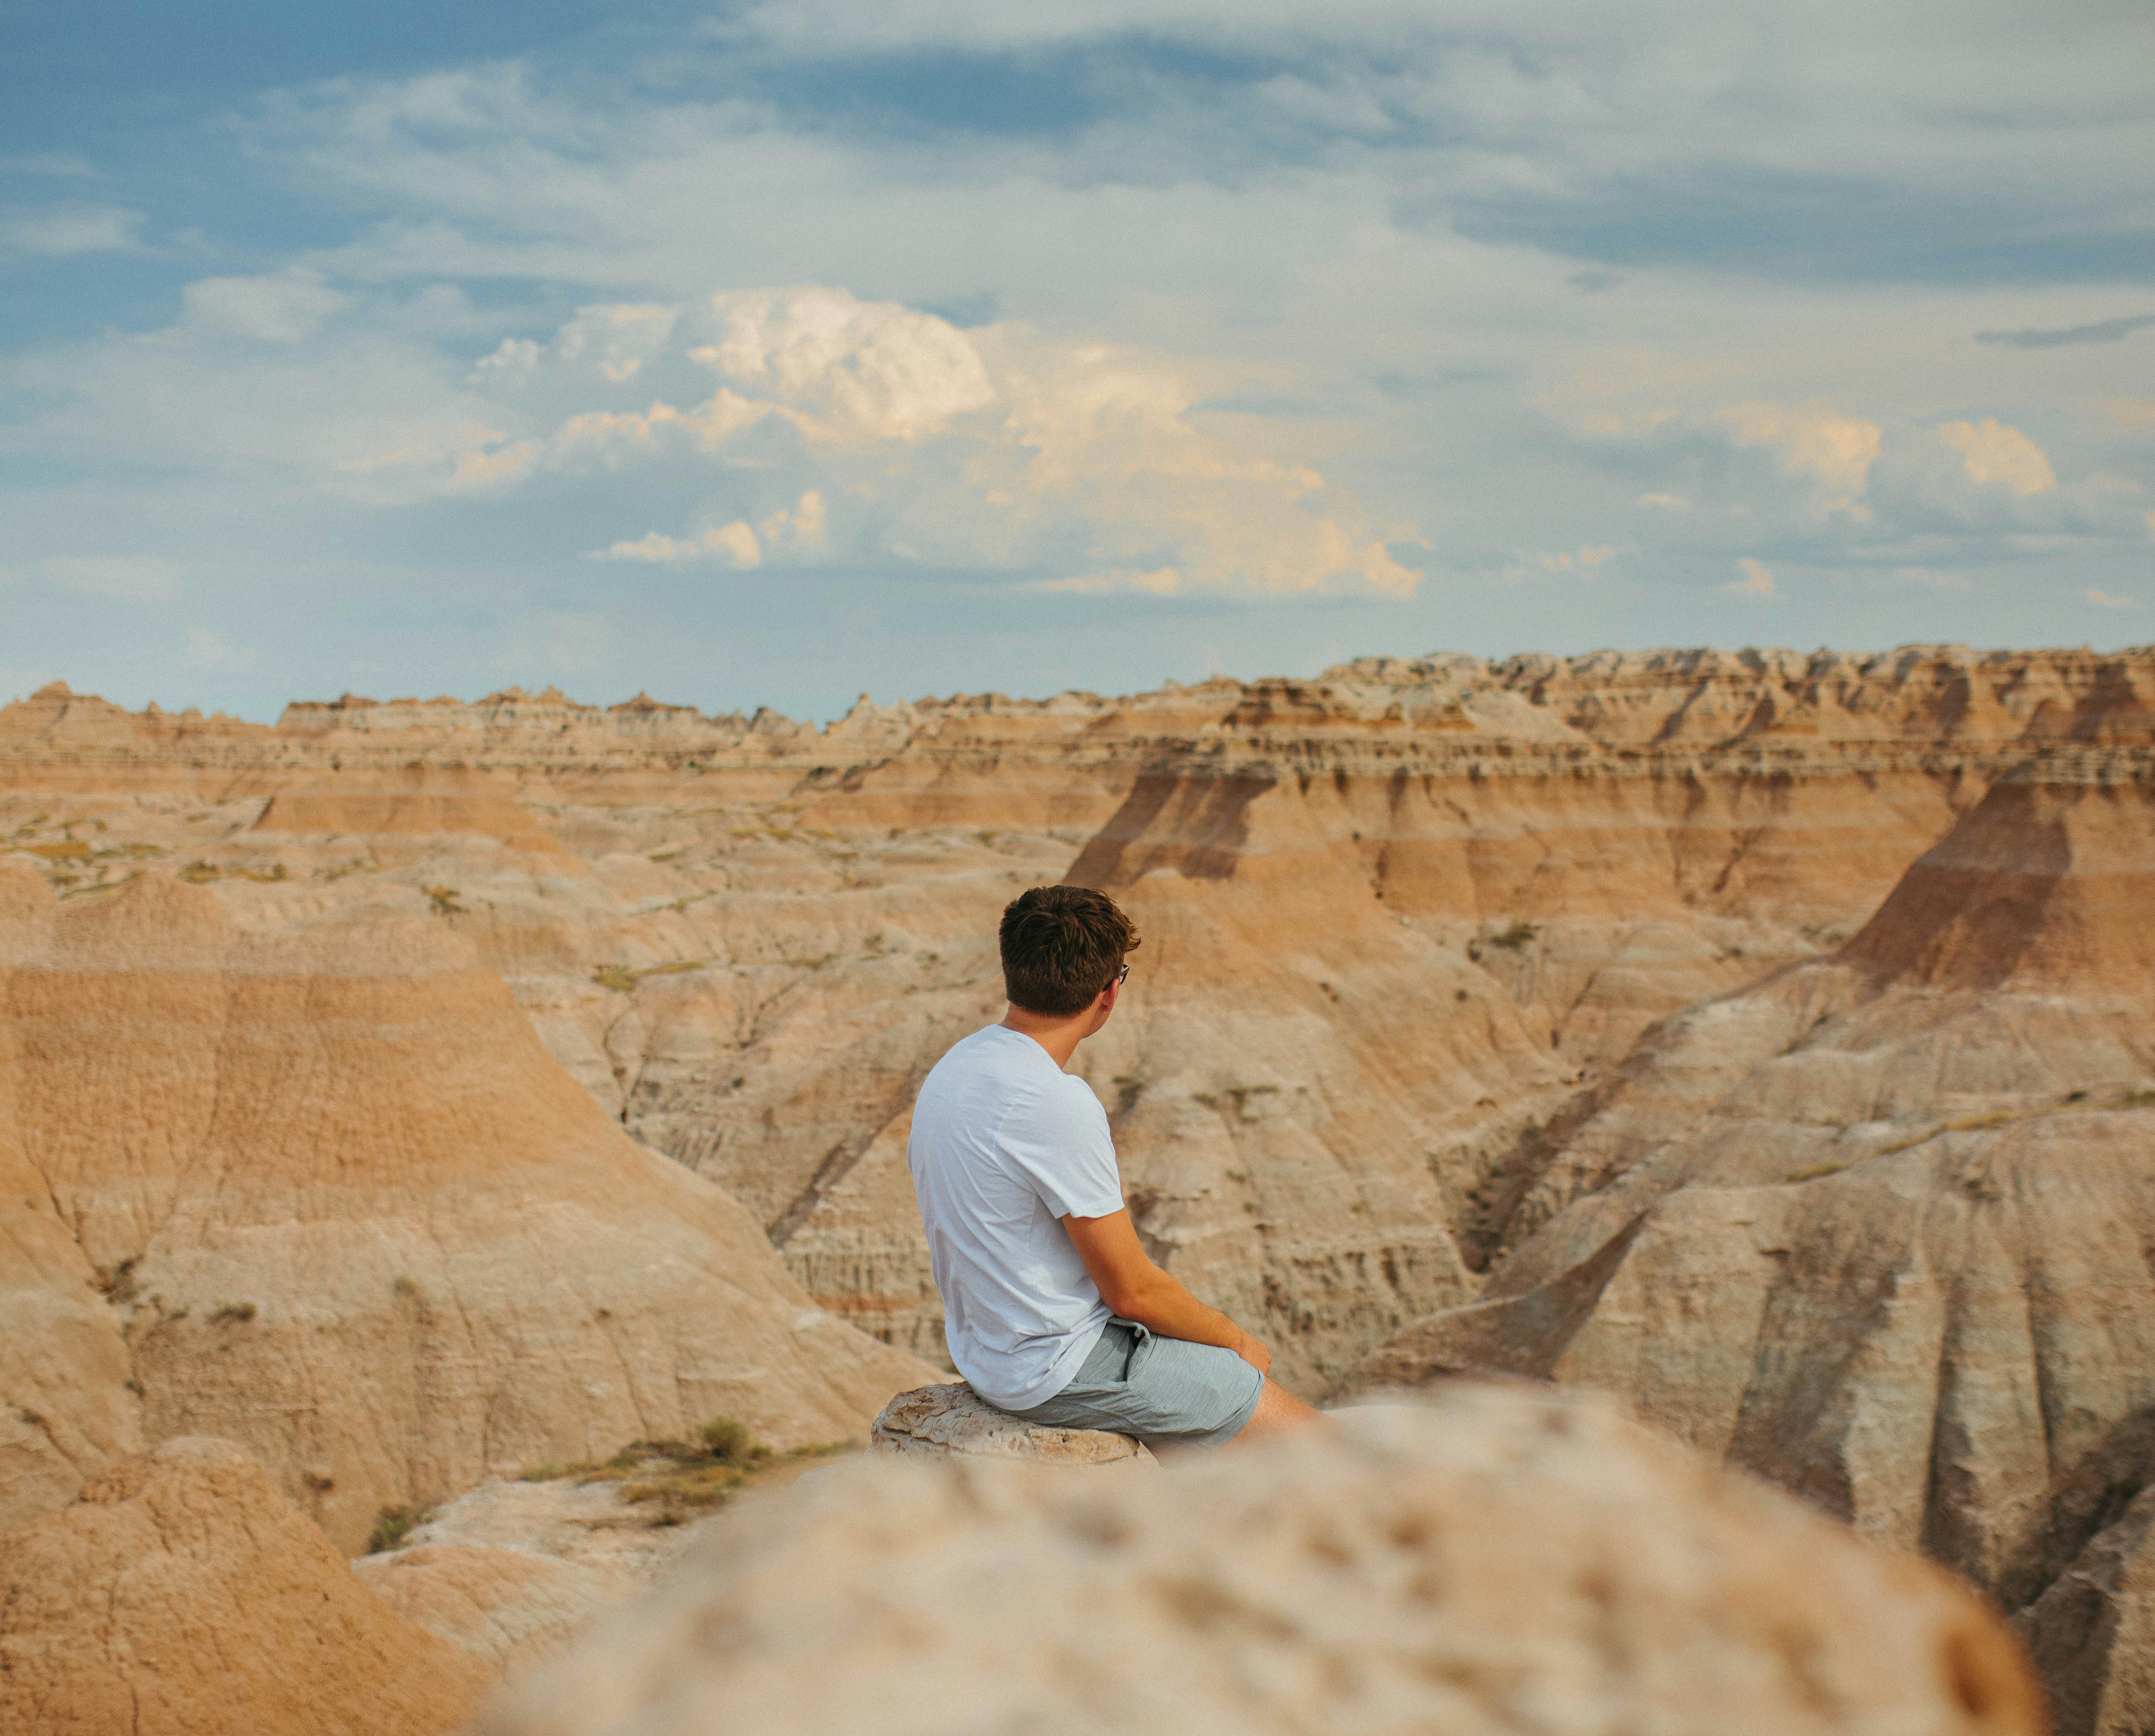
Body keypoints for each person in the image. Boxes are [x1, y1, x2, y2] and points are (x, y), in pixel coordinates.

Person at [907, 883, 1322, 1453]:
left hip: (992, 1351)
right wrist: (1238, 1344)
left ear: (1012, 971)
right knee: (1319, 1445)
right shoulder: (1052, 1100)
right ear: (1109, 992)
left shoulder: (959, 1065)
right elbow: (1133, 1292)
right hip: (1060, 1367)